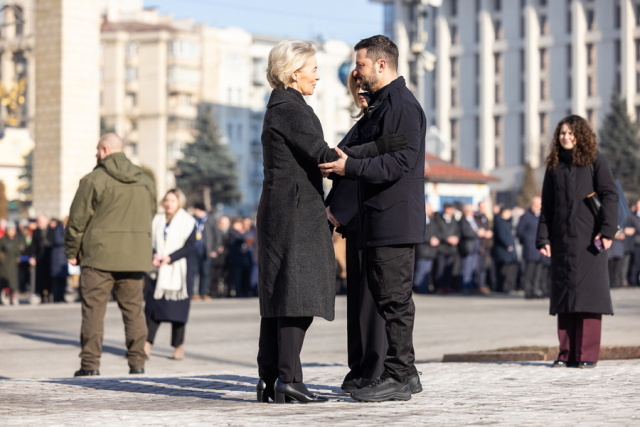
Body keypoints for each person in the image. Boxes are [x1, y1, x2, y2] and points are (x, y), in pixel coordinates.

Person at [256, 40, 390, 404]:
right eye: (313, 68)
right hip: (296, 212)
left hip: (284, 209)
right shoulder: (291, 108)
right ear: (293, 72)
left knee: (281, 295)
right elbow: (323, 157)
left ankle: (273, 378)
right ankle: (287, 378)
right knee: (298, 295)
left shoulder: (280, 107)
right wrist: (375, 151)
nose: (317, 75)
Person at [319, 34, 427, 402]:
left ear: (381, 65)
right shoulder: (384, 105)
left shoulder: (401, 105)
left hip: (393, 220)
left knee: (394, 302)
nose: (356, 72)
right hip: (380, 220)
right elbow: (376, 148)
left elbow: (401, 161)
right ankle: (406, 373)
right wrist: (340, 162)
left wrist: (350, 166)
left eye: (361, 64)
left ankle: (397, 376)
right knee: (387, 298)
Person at [325, 73, 406, 394]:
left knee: (372, 302)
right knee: (358, 301)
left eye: (366, 88)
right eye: (356, 89)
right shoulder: (362, 125)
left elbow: (364, 172)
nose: (361, 93)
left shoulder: (378, 122)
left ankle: (372, 369)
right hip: (354, 223)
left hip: (367, 217)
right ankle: (359, 367)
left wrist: (336, 211)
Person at [65, 133, 157, 377]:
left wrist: (72, 251)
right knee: (134, 312)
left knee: (93, 313)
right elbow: (151, 213)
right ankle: (137, 365)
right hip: (135, 258)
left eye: (97, 150)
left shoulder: (93, 180)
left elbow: (77, 220)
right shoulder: (145, 181)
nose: (96, 155)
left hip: (98, 258)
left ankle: (90, 366)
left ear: (104, 150)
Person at [536, 115, 618, 369]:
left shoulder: (595, 161)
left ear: (581, 135)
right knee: (565, 297)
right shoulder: (554, 166)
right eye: (562, 133)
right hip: (562, 241)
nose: (566, 137)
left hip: (590, 241)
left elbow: (610, 195)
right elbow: (547, 206)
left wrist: (606, 232)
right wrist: (543, 237)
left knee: (588, 297)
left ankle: (587, 354)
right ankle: (566, 352)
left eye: (571, 133)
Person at [145, 189, 196, 361]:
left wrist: (170, 257)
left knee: (178, 313)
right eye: (167, 200)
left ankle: (178, 346)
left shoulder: (188, 221)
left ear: (179, 202)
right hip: (158, 271)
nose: (169, 203)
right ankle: (147, 343)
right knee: (153, 310)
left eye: (173, 200)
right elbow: (149, 240)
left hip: (178, 273)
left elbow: (189, 247)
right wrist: (154, 254)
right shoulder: (157, 220)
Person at [516, 196, 549, 299]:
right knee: (529, 272)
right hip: (530, 248)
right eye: (535, 205)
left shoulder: (542, 216)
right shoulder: (526, 216)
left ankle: (536, 290)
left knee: (538, 272)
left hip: (540, 250)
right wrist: (525, 241)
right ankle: (528, 291)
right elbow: (520, 232)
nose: (537, 207)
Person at [433, 202, 461, 294]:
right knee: (440, 268)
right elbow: (436, 232)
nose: (451, 211)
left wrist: (456, 238)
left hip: (452, 249)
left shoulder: (454, 220)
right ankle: (439, 286)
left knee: (449, 269)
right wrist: (446, 238)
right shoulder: (438, 219)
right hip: (442, 248)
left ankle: (448, 286)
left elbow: (458, 231)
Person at [187, 203, 212, 300]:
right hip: (193, 250)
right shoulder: (191, 219)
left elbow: (216, 234)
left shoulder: (209, 220)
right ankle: (192, 293)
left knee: (205, 272)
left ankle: (204, 292)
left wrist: (214, 248)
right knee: (193, 272)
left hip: (206, 250)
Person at [492, 206, 519, 293]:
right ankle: (503, 287)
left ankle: (508, 286)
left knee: (510, 269)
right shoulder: (499, 222)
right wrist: (508, 245)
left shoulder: (506, 222)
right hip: (503, 251)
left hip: (508, 251)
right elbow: (501, 235)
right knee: (503, 270)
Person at [458, 203, 482, 294]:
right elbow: (465, 232)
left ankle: (471, 284)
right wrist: (477, 233)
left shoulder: (474, 220)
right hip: (468, 246)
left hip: (475, 245)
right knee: (466, 267)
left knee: (473, 267)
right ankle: (465, 285)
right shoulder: (463, 220)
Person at [0, 222, 21, 305]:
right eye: (10, 230)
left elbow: (19, 250)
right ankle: (4, 296)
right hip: (4, 265)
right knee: (4, 281)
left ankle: (12, 297)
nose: (12, 232)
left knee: (13, 283)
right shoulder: (2, 240)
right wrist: (2, 259)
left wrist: (18, 256)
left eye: (13, 230)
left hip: (14, 264)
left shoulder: (17, 240)